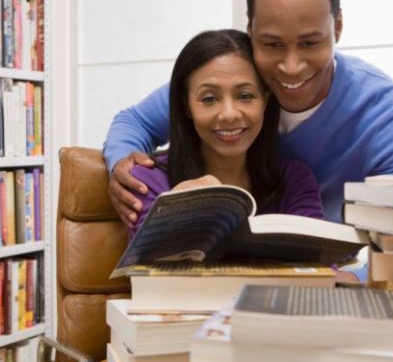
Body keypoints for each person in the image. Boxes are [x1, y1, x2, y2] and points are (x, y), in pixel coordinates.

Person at [105, 0, 393, 225]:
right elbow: (135, 122)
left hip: (332, 269)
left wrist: (340, 277)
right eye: (272, 44)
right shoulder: (232, 81)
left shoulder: (391, 114)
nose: (291, 66)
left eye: (310, 43)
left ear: (337, 28)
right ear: (251, 31)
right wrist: (122, 170)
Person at [128, 29, 324, 238]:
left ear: (265, 100)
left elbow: (319, 263)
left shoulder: (294, 179)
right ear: (187, 106)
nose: (229, 114)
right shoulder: (146, 180)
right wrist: (175, 208)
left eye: (245, 95)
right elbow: (147, 265)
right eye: (209, 99)